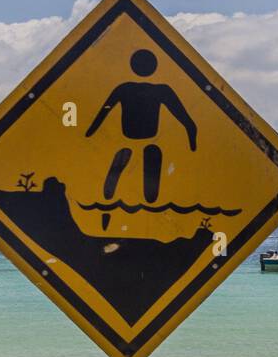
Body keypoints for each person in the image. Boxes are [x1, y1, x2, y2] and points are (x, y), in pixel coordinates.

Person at [84, 48, 198, 230]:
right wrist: (192, 135)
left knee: (141, 157)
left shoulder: (124, 88)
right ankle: (144, 193)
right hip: (148, 138)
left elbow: (103, 112)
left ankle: (112, 192)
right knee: (151, 158)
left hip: (128, 137)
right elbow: (185, 119)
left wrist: (90, 133)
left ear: (132, 65)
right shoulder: (162, 90)